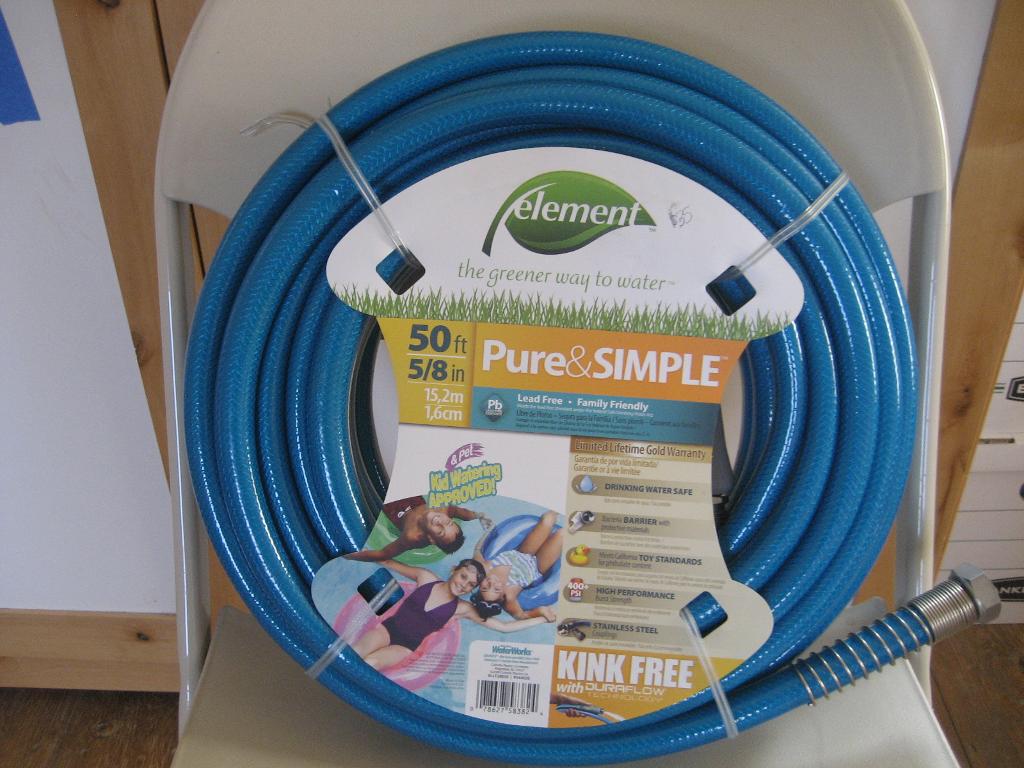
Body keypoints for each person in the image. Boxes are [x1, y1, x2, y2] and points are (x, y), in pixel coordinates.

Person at [352, 558, 550, 671]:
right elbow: (389, 562)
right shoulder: (426, 578)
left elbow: (504, 627)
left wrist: (542, 619)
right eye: (463, 576)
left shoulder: (462, 609)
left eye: (471, 584)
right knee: (356, 652)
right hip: (387, 629)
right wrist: (357, 554)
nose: (464, 585)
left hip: (404, 647)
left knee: (371, 663)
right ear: (454, 570)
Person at [471, 510, 563, 622]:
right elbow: (520, 616)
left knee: (548, 519)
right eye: (496, 589)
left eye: (485, 588)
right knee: (562, 534)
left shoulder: (484, 568)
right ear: (502, 596)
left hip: (523, 552)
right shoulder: (510, 596)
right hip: (538, 566)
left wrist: (489, 530)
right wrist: (541, 612)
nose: (491, 583)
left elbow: (477, 550)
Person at [345, 495, 491, 562]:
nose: (440, 523)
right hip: (413, 500)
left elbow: (383, 554)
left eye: (440, 532)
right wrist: (479, 515)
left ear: (431, 538)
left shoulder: (412, 537)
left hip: (395, 511)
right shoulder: (444, 510)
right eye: (449, 523)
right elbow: (461, 512)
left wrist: (351, 555)